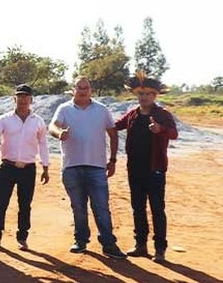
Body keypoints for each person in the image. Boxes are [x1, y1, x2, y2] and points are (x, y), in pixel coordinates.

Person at [49, 77, 127, 259]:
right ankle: (81, 240)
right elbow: (52, 126)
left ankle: (108, 243)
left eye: (86, 88)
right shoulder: (64, 109)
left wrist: (113, 159)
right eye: (79, 88)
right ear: (73, 89)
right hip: (71, 166)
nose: (83, 91)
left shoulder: (101, 110)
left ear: (91, 89)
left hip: (97, 167)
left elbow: (113, 133)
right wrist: (59, 133)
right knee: (78, 207)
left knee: (101, 207)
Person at [113, 72, 178, 262]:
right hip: (135, 169)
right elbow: (116, 125)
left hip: (155, 169)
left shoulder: (162, 115)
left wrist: (161, 130)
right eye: (141, 94)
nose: (144, 97)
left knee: (157, 208)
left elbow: (174, 134)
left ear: (155, 95)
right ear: (136, 95)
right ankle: (140, 245)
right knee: (138, 207)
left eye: (148, 94)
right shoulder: (132, 114)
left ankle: (160, 249)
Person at [0, 84, 50, 251]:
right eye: (19, 96)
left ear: (31, 99)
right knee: (1, 202)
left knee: (25, 204)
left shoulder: (38, 121)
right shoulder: (4, 119)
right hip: (7, 167)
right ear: (14, 99)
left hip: (28, 168)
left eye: (26, 96)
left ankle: (22, 238)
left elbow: (43, 144)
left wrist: (46, 166)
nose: (22, 100)